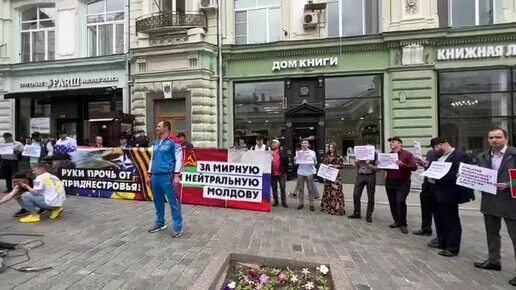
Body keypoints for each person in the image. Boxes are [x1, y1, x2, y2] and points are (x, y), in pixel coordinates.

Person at [473, 128, 516, 287]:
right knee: (492, 234)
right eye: (491, 137)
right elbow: (477, 173)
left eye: (498, 137)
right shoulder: (482, 156)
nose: (494, 140)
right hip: (490, 200)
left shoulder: (514, 154)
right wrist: (464, 176)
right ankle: (493, 261)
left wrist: (509, 184)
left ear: (506, 138)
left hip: (511, 201)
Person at [427, 137, 474, 257]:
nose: (434, 151)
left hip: (449, 193)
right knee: (439, 218)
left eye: (435, 148)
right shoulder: (440, 157)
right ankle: (442, 241)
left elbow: (461, 173)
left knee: (451, 220)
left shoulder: (459, 155)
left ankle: (452, 247)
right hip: (437, 192)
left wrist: (440, 175)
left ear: (441, 144)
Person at [146, 121, 183, 238]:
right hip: (155, 176)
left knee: (173, 202)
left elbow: (179, 158)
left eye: (159, 126)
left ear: (166, 128)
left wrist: (177, 175)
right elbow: (152, 159)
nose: (157, 128)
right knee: (158, 201)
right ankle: (160, 222)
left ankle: (177, 226)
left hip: (168, 175)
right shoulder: (156, 142)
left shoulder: (174, 142)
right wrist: (149, 174)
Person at [384, 136, 417, 234]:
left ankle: (403, 224)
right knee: (393, 202)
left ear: (400, 144)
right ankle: (396, 221)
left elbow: (414, 167)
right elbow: (385, 168)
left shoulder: (407, 154)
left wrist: (403, 164)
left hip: (403, 182)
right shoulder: (389, 155)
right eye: (390, 142)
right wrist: (381, 164)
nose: (391, 144)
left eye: (393, 142)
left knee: (400, 201)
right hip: (390, 182)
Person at [348, 140, 378, 223]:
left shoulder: (375, 155)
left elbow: (378, 168)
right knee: (356, 194)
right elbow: (355, 167)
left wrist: (369, 164)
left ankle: (369, 215)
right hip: (360, 175)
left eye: (369, 147)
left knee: (371, 196)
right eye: (366, 147)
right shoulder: (359, 154)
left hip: (370, 175)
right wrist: (356, 162)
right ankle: (357, 213)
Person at [413, 148, 440, 236]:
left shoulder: (444, 155)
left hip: (437, 185)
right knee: (425, 207)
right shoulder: (430, 153)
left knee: (437, 210)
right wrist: (422, 163)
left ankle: (440, 235)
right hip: (427, 183)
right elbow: (427, 166)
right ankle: (426, 228)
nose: (434, 149)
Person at [320, 142, 345, 215]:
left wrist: (334, 166)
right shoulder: (327, 156)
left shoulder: (339, 156)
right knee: (328, 192)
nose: (331, 149)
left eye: (332, 147)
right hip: (328, 176)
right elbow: (324, 165)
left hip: (336, 177)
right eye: (330, 147)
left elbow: (342, 166)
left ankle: (336, 209)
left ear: (335, 148)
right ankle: (328, 207)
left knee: (336, 192)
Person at [294, 139, 317, 211]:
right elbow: (296, 164)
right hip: (300, 172)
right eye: (302, 143)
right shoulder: (299, 153)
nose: (303, 144)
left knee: (310, 189)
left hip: (309, 173)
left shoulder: (312, 153)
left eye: (305, 143)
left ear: (308, 144)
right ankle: (301, 203)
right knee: (301, 189)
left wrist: (314, 160)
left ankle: (311, 204)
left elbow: (315, 163)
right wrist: (295, 159)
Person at [270, 139, 288, 208]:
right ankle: (276, 201)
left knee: (282, 187)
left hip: (281, 174)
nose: (272, 144)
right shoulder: (269, 153)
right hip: (273, 174)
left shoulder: (282, 152)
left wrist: (284, 171)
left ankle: (284, 202)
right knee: (274, 188)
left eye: (274, 143)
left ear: (278, 144)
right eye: (272, 143)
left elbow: (286, 163)